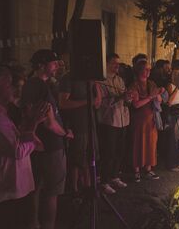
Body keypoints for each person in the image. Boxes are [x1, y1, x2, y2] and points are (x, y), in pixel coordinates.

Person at [0, 66, 48, 229]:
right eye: (10, 84)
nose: (15, 91)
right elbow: (17, 150)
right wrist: (34, 124)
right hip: (8, 186)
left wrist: (29, 126)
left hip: (14, 184)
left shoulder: (5, 113)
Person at [21, 49, 73, 229]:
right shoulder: (40, 87)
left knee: (36, 185)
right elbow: (49, 123)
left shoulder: (31, 85)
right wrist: (66, 133)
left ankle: (33, 222)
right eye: (53, 63)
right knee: (52, 190)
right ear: (42, 65)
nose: (57, 66)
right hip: (51, 145)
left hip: (37, 144)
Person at [59, 70, 102, 195]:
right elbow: (62, 103)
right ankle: (74, 190)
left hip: (90, 123)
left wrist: (96, 85)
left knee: (90, 156)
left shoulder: (90, 79)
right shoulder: (68, 77)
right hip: (76, 124)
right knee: (77, 158)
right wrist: (86, 102)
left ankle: (88, 187)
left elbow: (97, 103)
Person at [96, 53, 133, 194]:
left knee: (119, 151)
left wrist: (129, 98)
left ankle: (114, 176)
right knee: (108, 152)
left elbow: (125, 100)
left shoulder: (120, 80)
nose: (117, 66)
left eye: (118, 63)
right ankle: (104, 180)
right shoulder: (100, 81)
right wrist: (120, 97)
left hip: (123, 119)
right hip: (109, 121)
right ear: (106, 64)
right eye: (113, 63)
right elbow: (102, 103)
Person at [129, 60, 164, 182]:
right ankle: (136, 170)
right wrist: (151, 97)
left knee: (151, 144)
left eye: (149, 69)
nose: (148, 72)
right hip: (139, 120)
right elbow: (136, 104)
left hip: (151, 118)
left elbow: (159, 100)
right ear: (139, 70)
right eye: (146, 69)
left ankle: (148, 169)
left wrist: (159, 94)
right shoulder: (134, 85)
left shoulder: (151, 83)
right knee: (138, 144)